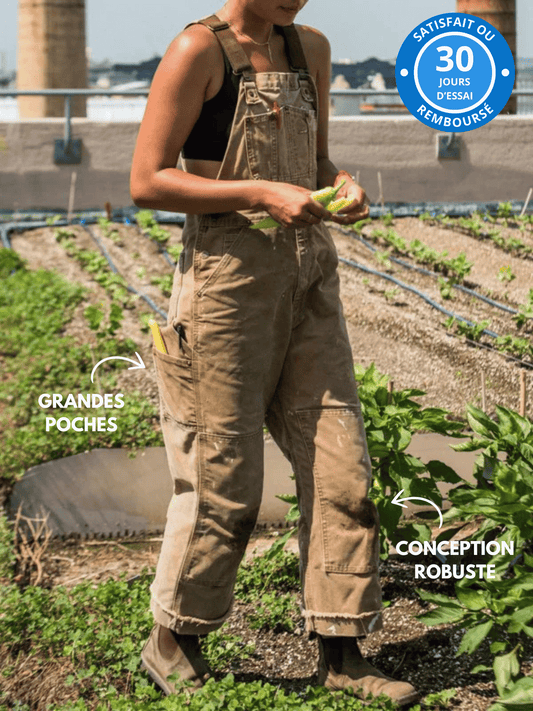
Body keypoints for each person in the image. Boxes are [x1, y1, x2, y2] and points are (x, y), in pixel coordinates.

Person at [130, 0, 418, 706]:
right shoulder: (196, 52)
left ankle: (343, 652)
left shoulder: (308, 49)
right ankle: (174, 639)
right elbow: (147, 181)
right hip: (226, 287)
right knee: (222, 477)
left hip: (309, 280)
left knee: (342, 466)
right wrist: (260, 191)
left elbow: (314, 159)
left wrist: (341, 186)